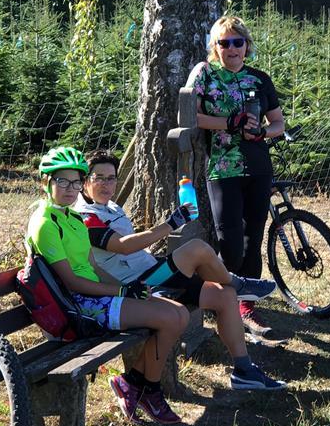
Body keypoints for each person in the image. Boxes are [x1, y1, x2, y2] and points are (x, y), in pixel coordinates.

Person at [74, 151, 287, 391]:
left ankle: (244, 371)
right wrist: (171, 224)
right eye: (98, 178)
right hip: (140, 287)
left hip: (151, 271)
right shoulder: (84, 217)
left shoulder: (111, 207)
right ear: (85, 181)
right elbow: (124, 247)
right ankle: (239, 284)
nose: (106, 184)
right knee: (196, 249)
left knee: (225, 296)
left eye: (111, 178)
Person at [25, 146, 189, 425]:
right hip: (77, 307)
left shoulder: (73, 217)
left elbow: (95, 268)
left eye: (75, 182)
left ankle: (135, 383)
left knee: (181, 314)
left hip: (96, 296)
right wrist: (122, 291)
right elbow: (73, 282)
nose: (70, 189)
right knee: (167, 319)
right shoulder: (45, 223)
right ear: (46, 182)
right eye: (61, 181)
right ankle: (149, 390)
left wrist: (129, 289)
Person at [187, 15, 285, 338]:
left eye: (237, 42)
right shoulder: (205, 74)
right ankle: (217, 297)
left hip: (257, 167)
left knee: (253, 237)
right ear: (215, 47)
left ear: (247, 46)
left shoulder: (259, 79)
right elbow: (191, 115)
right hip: (223, 169)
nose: (231, 48)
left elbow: (278, 125)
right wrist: (230, 123)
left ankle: (245, 309)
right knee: (229, 243)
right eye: (224, 43)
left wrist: (263, 133)